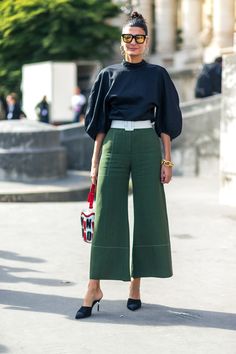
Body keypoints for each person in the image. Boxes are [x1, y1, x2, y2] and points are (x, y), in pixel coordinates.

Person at [75, 11, 182, 319]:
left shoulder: (158, 74)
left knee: (149, 213)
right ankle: (93, 285)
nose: (133, 42)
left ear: (145, 42)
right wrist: (95, 161)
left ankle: (135, 285)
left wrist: (167, 159)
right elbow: (99, 125)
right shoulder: (107, 74)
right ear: (121, 41)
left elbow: (166, 121)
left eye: (138, 37)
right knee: (107, 213)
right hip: (114, 144)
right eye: (127, 37)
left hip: (148, 144)